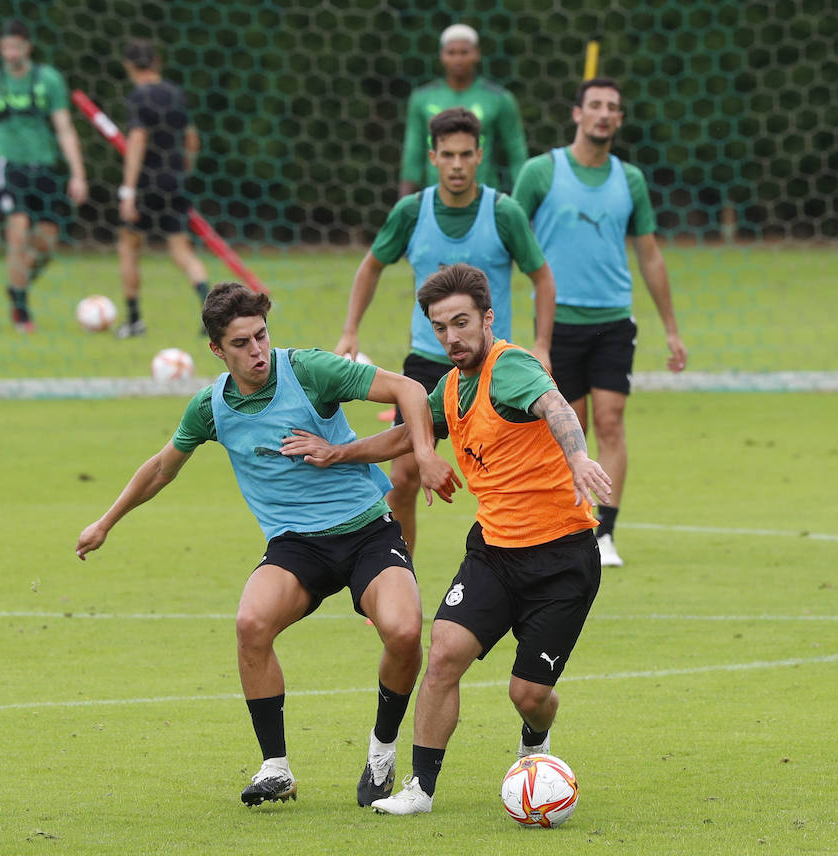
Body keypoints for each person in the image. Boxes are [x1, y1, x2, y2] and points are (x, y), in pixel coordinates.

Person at [74, 282, 459, 808]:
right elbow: (163, 466)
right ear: (217, 350)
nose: (257, 352)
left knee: (403, 629)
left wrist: (423, 453)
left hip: (367, 529)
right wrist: (105, 522)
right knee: (250, 624)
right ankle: (276, 769)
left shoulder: (309, 371)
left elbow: (411, 391)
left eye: (261, 336)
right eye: (241, 343)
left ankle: (381, 750)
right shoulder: (211, 406)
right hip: (295, 546)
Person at [281, 263, 611, 816]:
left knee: (527, 696)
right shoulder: (452, 387)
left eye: (461, 323)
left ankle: (536, 741)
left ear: (487, 318)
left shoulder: (512, 370)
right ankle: (421, 789)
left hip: (561, 555)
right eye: (440, 327)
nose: (452, 337)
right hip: (493, 553)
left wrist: (577, 454)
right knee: (443, 656)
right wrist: (339, 452)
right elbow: (406, 435)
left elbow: (554, 406)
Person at [337, 107, 555, 556]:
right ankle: (399, 578)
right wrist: (350, 332)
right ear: (433, 158)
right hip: (426, 361)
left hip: (493, 367)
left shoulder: (504, 212)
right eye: (448, 155)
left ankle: (525, 557)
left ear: (480, 155)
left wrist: (541, 346)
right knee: (401, 478)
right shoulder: (412, 211)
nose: (457, 165)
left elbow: (543, 278)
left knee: (507, 472)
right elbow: (371, 267)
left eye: (465, 155)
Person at [512, 77, 688, 568]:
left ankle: (604, 534)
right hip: (559, 322)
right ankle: (572, 526)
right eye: (595, 105)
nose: (604, 114)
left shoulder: (629, 180)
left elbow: (650, 257)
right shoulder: (541, 173)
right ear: (577, 114)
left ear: (620, 119)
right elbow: (506, 235)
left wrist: (671, 328)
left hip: (614, 320)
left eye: (613, 107)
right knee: (572, 428)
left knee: (611, 422)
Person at [0, 18, 87, 333]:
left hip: (43, 165)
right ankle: (21, 310)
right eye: (4, 47)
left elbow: (64, 129)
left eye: (15, 47)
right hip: (8, 164)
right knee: (16, 231)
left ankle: (17, 286)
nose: (9, 53)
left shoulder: (49, 80)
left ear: (27, 47)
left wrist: (78, 174)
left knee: (47, 243)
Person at [114, 39, 210, 338]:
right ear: (157, 60)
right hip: (174, 179)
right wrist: (185, 170)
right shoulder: (175, 94)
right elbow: (192, 140)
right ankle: (211, 314)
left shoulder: (139, 96)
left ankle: (133, 320)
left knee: (129, 246)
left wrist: (128, 190)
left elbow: (138, 139)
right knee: (181, 251)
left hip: (146, 183)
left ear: (129, 65)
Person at [398, 23, 528, 196]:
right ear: (442, 56)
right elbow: (413, 154)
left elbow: (516, 153)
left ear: (476, 54)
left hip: (484, 197)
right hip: (435, 198)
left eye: (464, 52)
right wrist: (403, 204)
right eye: (451, 53)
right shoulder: (422, 98)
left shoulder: (499, 99)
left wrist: (523, 205)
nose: (458, 59)